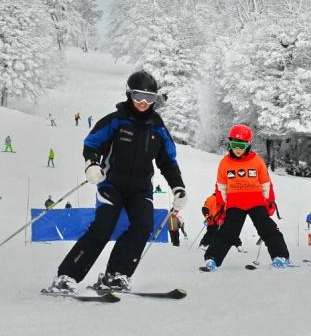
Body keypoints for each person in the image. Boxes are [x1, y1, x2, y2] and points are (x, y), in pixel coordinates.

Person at [46, 70, 187, 294]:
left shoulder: (158, 128)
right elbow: (92, 144)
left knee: (143, 226)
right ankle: (66, 276)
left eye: (149, 98)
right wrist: (92, 164)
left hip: (141, 189)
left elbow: (168, 161)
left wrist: (178, 187)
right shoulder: (115, 121)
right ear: (129, 94)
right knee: (102, 228)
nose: (143, 102)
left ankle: (116, 275)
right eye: (138, 96)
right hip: (111, 185)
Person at [201, 125, 289, 271]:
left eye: (241, 145)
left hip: (256, 201)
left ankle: (281, 256)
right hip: (235, 203)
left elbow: (266, 184)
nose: (237, 149)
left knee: (267, 228)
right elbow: (221, 187)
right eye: (234, 145)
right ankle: (213, 259)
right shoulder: (225, 163)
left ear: (248, 144)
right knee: (228, 231)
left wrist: (269, 202)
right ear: (229, 144)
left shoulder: (257, 161)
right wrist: (222, 207)